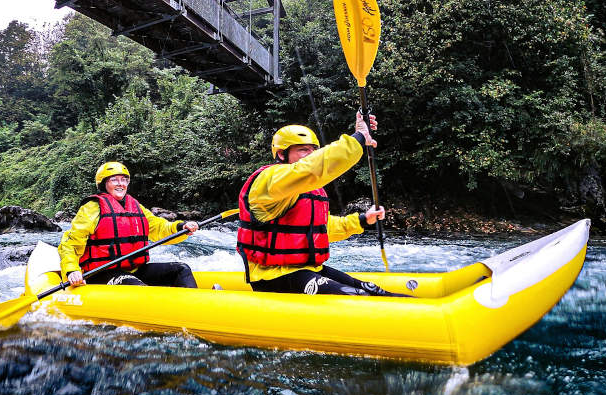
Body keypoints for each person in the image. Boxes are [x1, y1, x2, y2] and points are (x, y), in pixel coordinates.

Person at [236, 112, 409, 296]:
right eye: (303, 150)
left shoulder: (307, 190)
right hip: (272, 277)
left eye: (312, 150)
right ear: (281, 154)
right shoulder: (269, 180)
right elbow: (312, 169)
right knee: (359, 297)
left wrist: (362, 220)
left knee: (373, 290)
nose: (310, 155)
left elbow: (321, 229)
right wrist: (358, 137)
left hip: (307, 270)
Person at [58, 161, 199, 288]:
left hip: (135, 269)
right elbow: (71, 243)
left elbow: (159, 227)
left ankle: (196, 305)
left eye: (124, 180)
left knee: (182, 269)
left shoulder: (135, 206)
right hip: (101, 272)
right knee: (136, 286)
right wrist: (71, 269)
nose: (121, 184)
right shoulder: (92, 207)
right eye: (114, 180)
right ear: (103, 184)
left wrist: (181, 227)